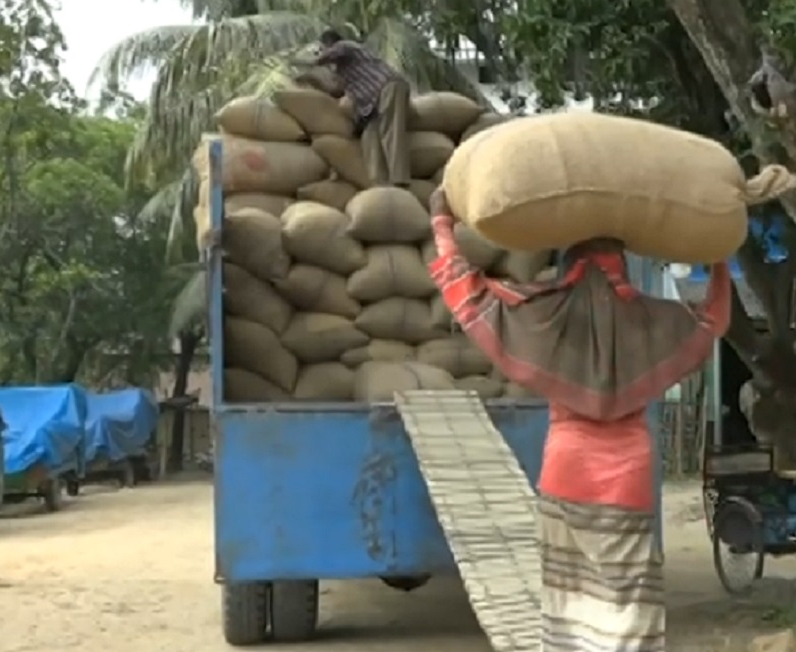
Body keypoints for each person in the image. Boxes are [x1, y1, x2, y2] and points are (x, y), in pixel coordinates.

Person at [427, 189, 731, 651]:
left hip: (567, 472)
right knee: (627, 602)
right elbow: (714, 319)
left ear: (569, 267)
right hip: (629, 476)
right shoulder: (651, 319)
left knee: (570, 604)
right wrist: (721, 257)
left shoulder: (544, 314)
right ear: (624, 268)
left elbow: (466, 294)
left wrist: (442, 226)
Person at [313, 29, 411, 187]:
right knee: (369, 136)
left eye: (323, 48)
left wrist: (312, 60)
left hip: (388, 86)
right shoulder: (344, 69)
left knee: (391, 130)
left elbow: (331, 54)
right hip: (371, 105)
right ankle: (379, 183)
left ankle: (399, 180)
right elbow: (334, 89)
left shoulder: (347, 46)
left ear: (328, 45)